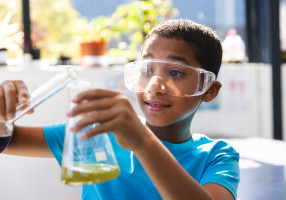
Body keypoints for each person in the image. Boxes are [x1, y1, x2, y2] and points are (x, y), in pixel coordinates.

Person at [0, 19, 240, 200]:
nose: (153, 87)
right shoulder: (97, 133)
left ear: (209, 90)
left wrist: (142, 142)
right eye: (147, 70)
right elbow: (7, 142)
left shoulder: (217, 156)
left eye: (175, 72)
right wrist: (2, 116)